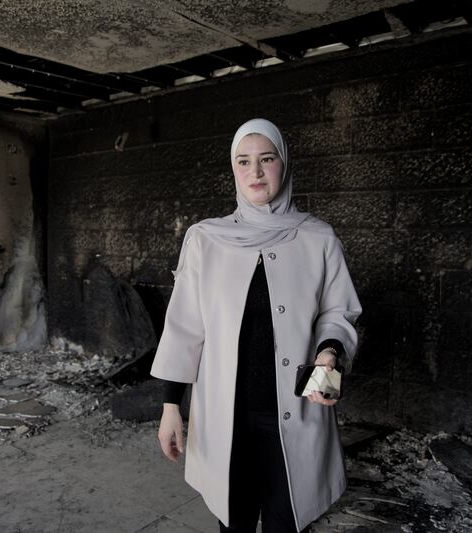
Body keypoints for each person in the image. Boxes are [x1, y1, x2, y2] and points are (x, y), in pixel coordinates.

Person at [151, 118, 362, 532]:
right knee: (234, 523)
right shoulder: (206, 239)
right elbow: (184, 327)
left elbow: (338, 311)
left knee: (289, 521)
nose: (256, 172)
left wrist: (330, 351)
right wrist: (171, 406)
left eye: (267, 159)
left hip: (296, 412)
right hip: (226, 417)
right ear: (233, 170)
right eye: (243, 162)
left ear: (284, 163)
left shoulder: (318, 238)